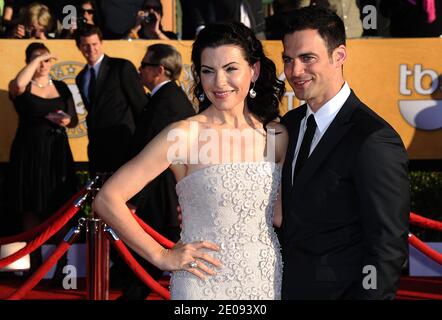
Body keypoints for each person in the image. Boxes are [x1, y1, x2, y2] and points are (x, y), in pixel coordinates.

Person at [93, 22, 287, 300]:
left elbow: (279, 216)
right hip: (203, 283)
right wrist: (161, 256)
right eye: (208, 71)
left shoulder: (275, 134)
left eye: (231, 68)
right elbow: (107, 199)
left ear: (253, 71)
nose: (219, 82)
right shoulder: (185, 134)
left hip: (265, 280)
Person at [279, 6, 409, 299]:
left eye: (307, 58)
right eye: (288, 59)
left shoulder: (373, 138)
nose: (294, 71)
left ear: (339, 56)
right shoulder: (288, 126)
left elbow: (386, 247)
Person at [120, 44, 196, 299]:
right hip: (163, 192)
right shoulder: (167, 98)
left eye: (144, 65)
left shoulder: (166, 102)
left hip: (162, 195)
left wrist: (133, 199)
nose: (139, 70)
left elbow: (153, 157)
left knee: (152, 259)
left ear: (159, 70)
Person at [6, 42, 78, 272]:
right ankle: (35, 262)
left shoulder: (60, 86)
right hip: (29, 152)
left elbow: (74, 119)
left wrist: (66, 121)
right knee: (31, 205)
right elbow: (17, 85)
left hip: (57, 152)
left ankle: (60, 264)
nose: (44, 64)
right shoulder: (22, 86)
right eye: (38, 60)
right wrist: (37, 60)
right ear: (29, 62)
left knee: (57, 206)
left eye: (47, 60)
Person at [75, 24, 147, 177]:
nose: (91, 49)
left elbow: (140, 105)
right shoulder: (81, 77)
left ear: (101, 43)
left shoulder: (121, 67)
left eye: (94, 44)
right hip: (97, 150)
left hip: (124, 146)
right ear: (79, 47)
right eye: (85, 45)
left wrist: (141, 143)